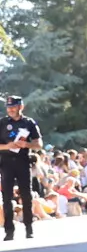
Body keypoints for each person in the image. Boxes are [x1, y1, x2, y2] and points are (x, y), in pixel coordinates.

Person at [1, 96, 42, 241]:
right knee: (7, 198)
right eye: (9, 107)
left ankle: (29, 228)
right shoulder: (2, 123)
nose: (11, 109)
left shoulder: (29, 123)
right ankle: (9, 231)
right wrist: (7, 146)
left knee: (27, 196)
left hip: (23, 162)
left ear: (21, 107)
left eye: (14, 106)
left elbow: (39, 143)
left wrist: (27, 145)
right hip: (6, 163)